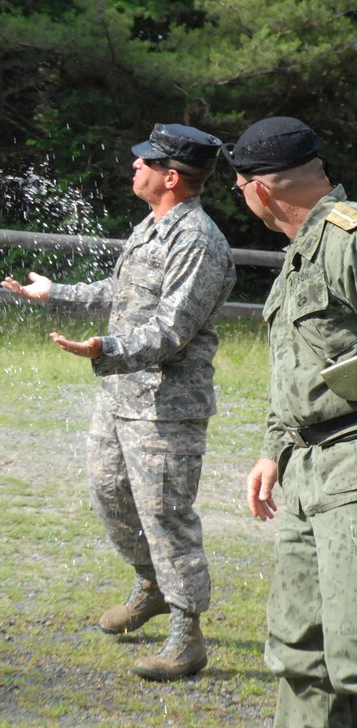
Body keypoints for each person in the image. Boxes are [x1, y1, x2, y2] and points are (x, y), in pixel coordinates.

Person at [1, 123, 236, 681]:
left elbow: (172, 329)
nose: (134, 168)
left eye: (145, 162)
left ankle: (187, 637)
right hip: (120, 396)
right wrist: (54, 292)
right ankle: (150, 586)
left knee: (166, 516)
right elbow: (121, 293)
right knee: (109, 494)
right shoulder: (151, 226)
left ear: (172, 178)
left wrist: (105, 348)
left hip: (166, 405)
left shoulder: (199, 241)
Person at [231, 117, 357, 726]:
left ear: (258, 191)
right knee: (300, 657)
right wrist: (270, 449)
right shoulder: (299, 256)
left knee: (353, 659)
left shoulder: (348, 240)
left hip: (353, 467)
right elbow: (296, 367)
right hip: (306, 471)